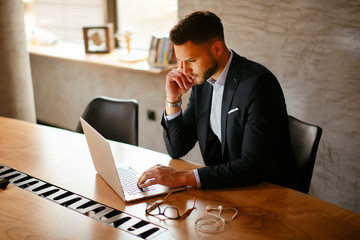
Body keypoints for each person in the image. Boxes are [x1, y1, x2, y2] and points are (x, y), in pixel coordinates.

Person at [138, 11, 299, 190]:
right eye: (180, 61)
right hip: (227, 189)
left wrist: (182, 177)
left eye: (191, 60)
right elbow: (177, 148)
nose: (184, 70)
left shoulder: (259, 85)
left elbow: (252, 167)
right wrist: (173, 100)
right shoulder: (202, 82)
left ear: (216, 48)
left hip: (269, 193)